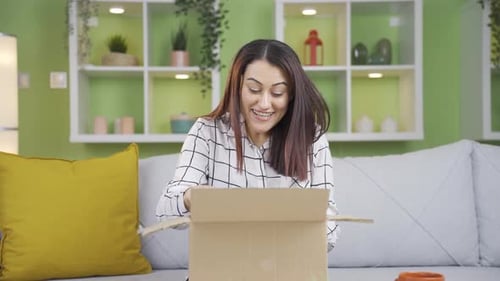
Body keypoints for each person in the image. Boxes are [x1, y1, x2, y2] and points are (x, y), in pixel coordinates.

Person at [156, 38, 339, 251]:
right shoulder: (207, 132)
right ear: (238, 86)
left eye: (277, 92)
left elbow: (330, 230)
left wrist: (307, 225)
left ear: (291, 95)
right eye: (254, 89)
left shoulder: (311, 138)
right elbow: (164, 212)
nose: (264, 104)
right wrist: (190, 198)